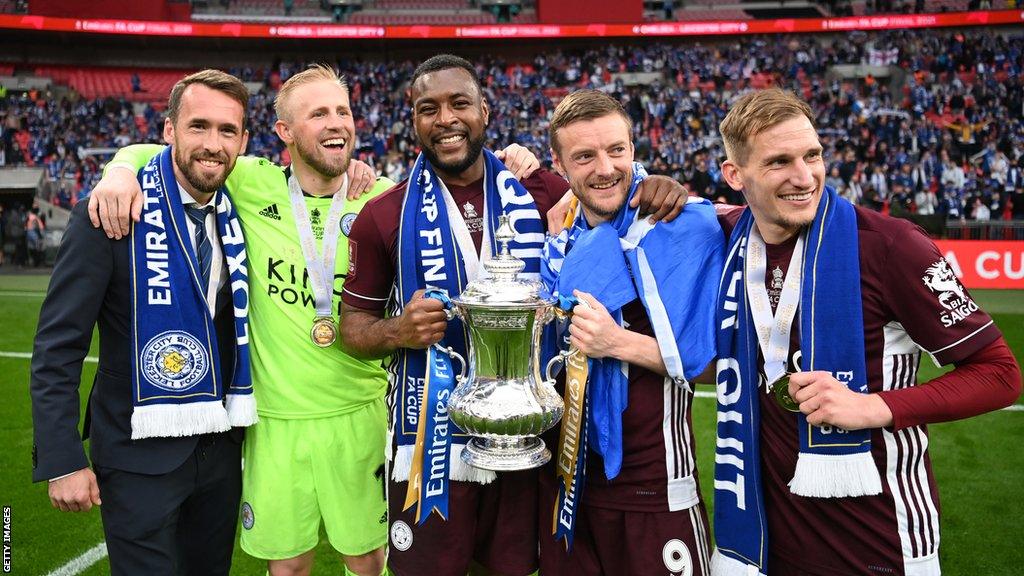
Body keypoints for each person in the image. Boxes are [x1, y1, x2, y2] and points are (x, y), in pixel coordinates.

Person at [86, 63, 540, 576]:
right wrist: (120, 169)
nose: (335, 123)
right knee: (289, 567)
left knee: (368, 560)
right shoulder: (252, 181)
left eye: (342, 111)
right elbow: (166, 153)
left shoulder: (385, 195)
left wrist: (516, 158)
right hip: (275, 420)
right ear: (283, 132)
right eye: (318, 113)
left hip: (362, 413)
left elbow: (467, 178)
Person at [338, 54, 686, 576]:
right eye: (428, 108)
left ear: (485, 110)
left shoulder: (542, 190)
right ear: (412, 119)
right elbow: (352, 330)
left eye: (459, 103)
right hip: (430, 443)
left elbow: (607, 184)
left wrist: (658, 183)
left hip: (529, 433)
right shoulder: (384, 213)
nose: (446, 119)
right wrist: (397, 331)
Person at [710, 88, 1021, 576]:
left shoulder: (894, 246)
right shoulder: (730, 238)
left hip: (880, 540)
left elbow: (1001, 375)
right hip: (767, 540)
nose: (804, 177)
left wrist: (872, 407)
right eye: (778, 162)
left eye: (813, 155)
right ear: (734, 175)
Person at [31, 69, 258, 576]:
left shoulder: (245, 210)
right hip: (136, 452)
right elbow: (59, 345)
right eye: (198, 126)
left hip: (220, 452)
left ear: (243, 141)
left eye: (227, 131)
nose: (212, 144)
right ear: (168, 130)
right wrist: (62, 457)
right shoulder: (111, 211)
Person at [536, 89, 724, 576]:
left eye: (616, 150)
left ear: (633, 149)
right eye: (584, 156)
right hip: (568, 481)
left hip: (656, 484)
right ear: (559, 164)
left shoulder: (685, 226)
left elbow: (712, 365)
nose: (604, 167)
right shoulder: (559, 241)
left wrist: (618, 343)